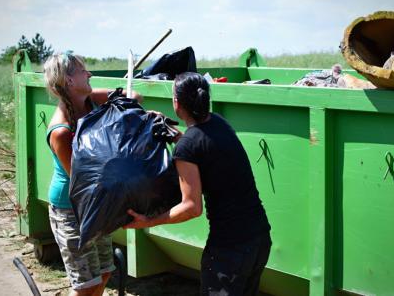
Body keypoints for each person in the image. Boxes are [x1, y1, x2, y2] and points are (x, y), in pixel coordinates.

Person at [125, 72, 272, 296]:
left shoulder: (188, 148)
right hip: (259, 238)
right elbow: (201, 146)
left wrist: (149, 221)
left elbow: (192, 207)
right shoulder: (219, 123)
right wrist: (174, 134)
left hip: (230, 247)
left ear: (177, 102)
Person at [43, 51, 141, 296]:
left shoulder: (91, 100)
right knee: (86, 285)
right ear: (68, 81)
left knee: (104, 273)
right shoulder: (61, 131)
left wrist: (127, 108)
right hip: (72, 210)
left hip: (96, 205)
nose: (89, 73)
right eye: (82, 70)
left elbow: (132, 95)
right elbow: (84, 180)